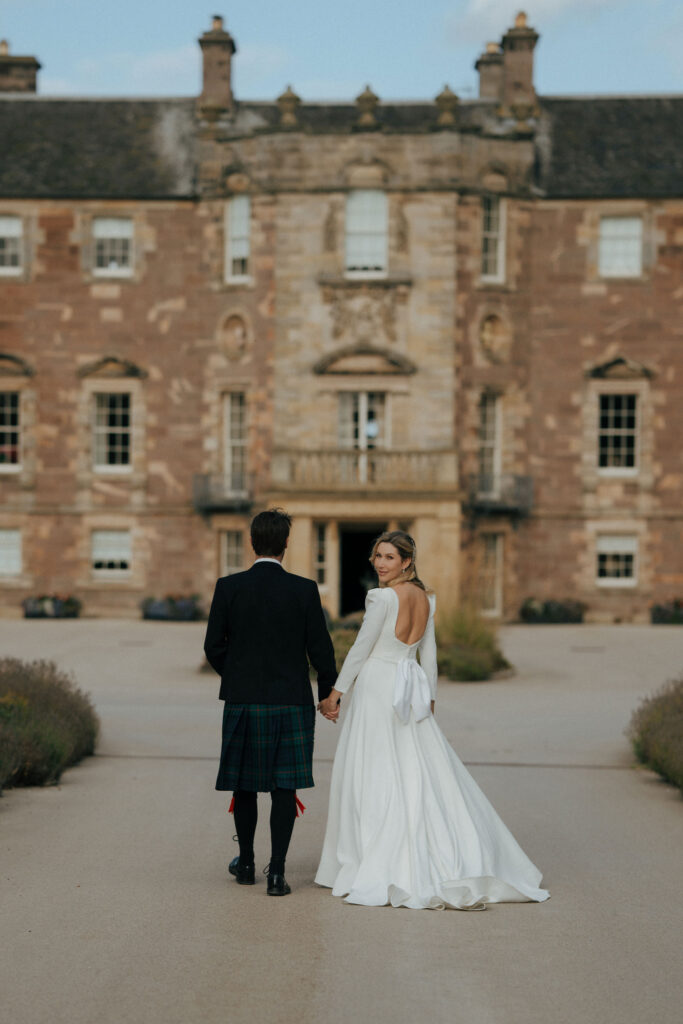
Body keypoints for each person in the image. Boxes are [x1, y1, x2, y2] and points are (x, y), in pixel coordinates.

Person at [315, 530, 550, 910]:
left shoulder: (382, 597)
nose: (379, 563)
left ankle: (370, 857)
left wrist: (337, 692)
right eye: (377, 556)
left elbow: (362, 648)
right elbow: (430, 655)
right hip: (409, 687)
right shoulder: (426, 599)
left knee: (372, 768)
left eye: (389, 557)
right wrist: (430, 697)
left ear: (407, 561)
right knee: (415, 767)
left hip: (379, 686)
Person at [204, 508, 337, 896]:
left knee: (244, 786)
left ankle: (246, 864)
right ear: (286, 544)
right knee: (284, 787)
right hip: (291, 702)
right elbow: (322, 652)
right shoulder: (304, 589)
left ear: (252, 542)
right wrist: (327, 695)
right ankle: (277, 874)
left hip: (244, 702)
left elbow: (213, 647)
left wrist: (239, 677)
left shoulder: (228, 587)